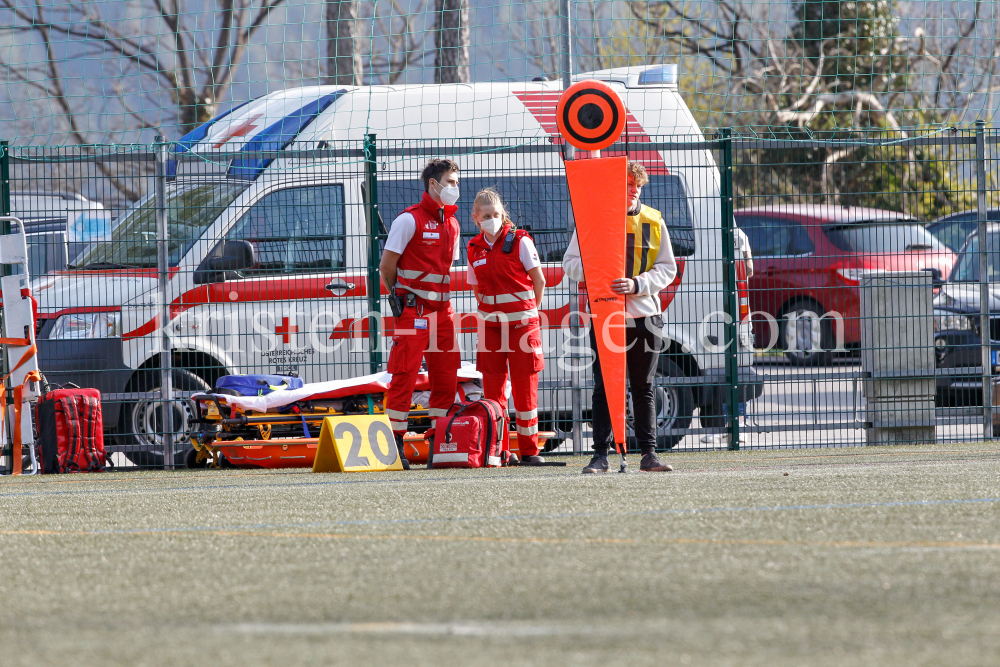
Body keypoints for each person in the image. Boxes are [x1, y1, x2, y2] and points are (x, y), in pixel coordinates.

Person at [562, 161, 678, 473]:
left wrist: (638, 284)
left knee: (643, 386)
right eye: (627, 184)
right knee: (604, 386)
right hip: (604, 314)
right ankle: (600, 456)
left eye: (637, 185)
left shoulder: (653, 220)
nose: (633, 190)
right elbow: (570, 263)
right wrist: (598, 274)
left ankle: (648, 455)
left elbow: (668, 268)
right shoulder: (592, 218)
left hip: (645, 316)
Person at [379, 159, 463, 469]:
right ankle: (395, 443)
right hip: (413, 310)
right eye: (450, 182)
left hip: (443, 311)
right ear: (433, 184)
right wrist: (400, 304)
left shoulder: (452, 223)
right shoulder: (409, 220)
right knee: (405, 375)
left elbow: (447, 269)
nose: (455, 187)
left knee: (446, 377)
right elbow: (386, 268)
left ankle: (438, 442)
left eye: (456, 182)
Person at [467, 188, 548, 465]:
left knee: (526, 391)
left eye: (496, 215)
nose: (492, 219)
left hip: (522, 327)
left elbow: (540, 281)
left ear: (504, 215)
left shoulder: (520, 241)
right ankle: (498, 451)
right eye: (486, 216)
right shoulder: (473, 247)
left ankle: (529, 452)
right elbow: (476, 287)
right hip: (491, 328)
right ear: (476, 218)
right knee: (493, 392)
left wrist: (528, 312)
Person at [702, 225, 754, 445]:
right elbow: (749, 268)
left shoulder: (709, 230)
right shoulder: (739, 234)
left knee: (713, 365)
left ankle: (716, 427)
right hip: (736, 305)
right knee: (736, 366)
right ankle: (738, 425)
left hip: (710, 305)